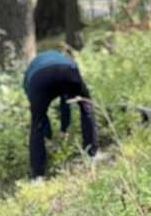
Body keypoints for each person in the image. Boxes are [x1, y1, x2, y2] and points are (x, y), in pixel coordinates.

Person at [23, 50, 99, 179]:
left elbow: (41, 118)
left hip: (40, 77)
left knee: (37, 126)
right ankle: (92, 155)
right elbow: (67, 103)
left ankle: (38, 177)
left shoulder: (28, 79)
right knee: (86, 109)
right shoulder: (60, 58)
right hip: (68, 71)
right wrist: (63, 129)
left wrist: (49, 136)